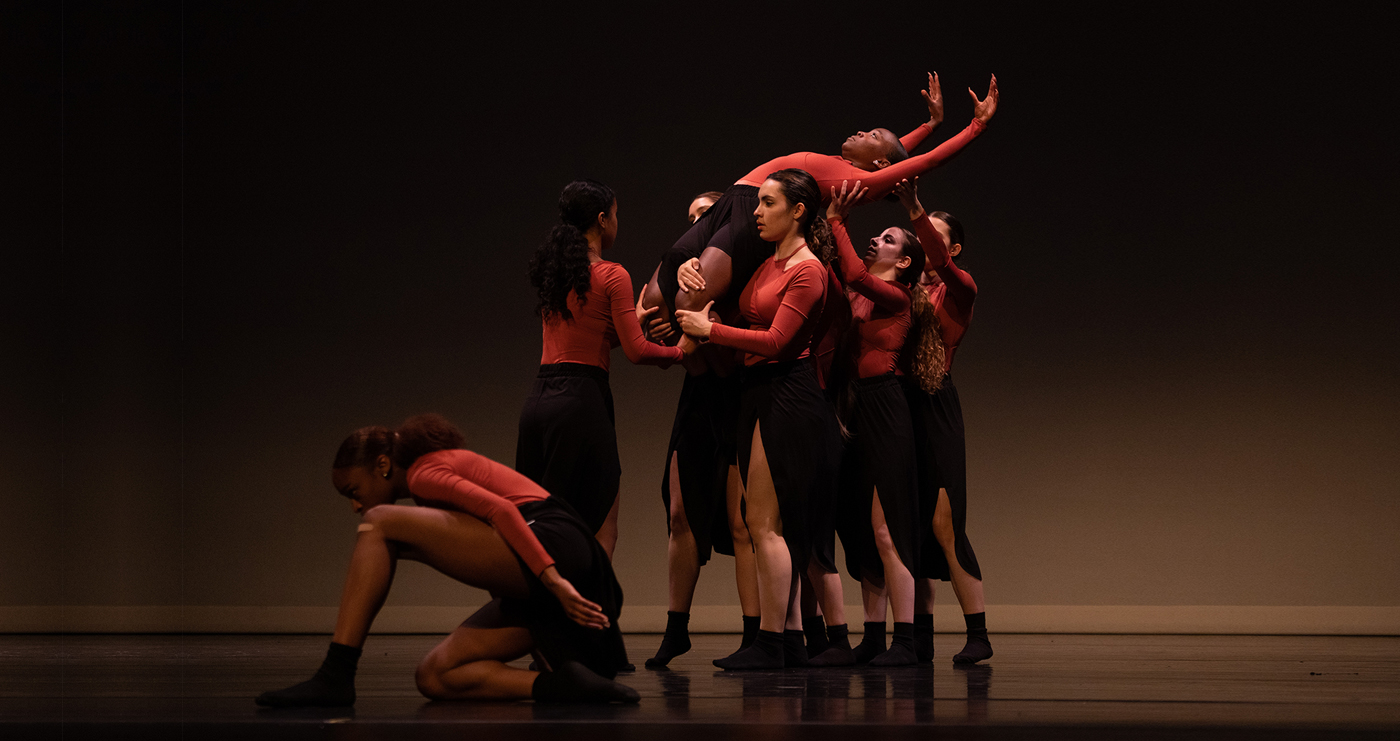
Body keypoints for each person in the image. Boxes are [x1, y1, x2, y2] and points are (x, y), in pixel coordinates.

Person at [255, 414, 641, 707]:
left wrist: (554, 581)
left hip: (551, 540)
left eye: (354, 491)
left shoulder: (425, 473)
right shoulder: (428, 482)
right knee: (436, 675)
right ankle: (564, 686)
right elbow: (493, 564)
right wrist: (547, 650)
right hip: (547, 558)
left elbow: (503, 513)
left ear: (383, 466)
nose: (355, 505)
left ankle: (334, 676)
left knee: (377, 525)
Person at [645, 73, 997, 335]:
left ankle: (714, 344)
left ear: (879, 166)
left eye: (872, 136)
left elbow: (922, 162)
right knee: (654, 300)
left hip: (750, 210)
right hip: (733, 198)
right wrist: (930, 124)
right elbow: (896, 152)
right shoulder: (852, 167)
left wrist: (976, 126)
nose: (862, 133)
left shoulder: (862, 181)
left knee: (688, 303)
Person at [675, 168, 831, 670]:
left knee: (765, 523)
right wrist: (688, 274)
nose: (756, 213)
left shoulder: (808, 271)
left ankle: (773, 640)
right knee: (758, 520)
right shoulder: (766, 263)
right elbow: (742, 318)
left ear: (798, 211)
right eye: (758, 203)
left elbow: (777, 342)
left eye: (766, 204)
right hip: (756, 391)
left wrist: (711, 331)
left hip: (788, 393)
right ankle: (780, 638)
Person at [806, 181, 947, 667]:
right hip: (850, 408)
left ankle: (905, 640)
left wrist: (839, 221)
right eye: (880, 235)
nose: (878, 241)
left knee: (888, 529)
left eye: (889, 239)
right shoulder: (853, 292)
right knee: (860, 531)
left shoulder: (898, 297)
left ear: (905, 262)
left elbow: (857, 276)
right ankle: (871, 637)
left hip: (885, 408)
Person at [518, 180, 690, 559]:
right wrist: (680, 350)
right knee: (600, 525)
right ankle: (593, 615)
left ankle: (545, 611)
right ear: (601, 219)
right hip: (581, 403)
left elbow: (583, 341)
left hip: (539, 403)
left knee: (542, 522)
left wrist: (632, 321)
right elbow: (637, 352)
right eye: (615, 215)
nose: (616, 222)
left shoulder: (558, 274)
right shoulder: (613, 274)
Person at [646, 194, 756, 668]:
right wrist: (661, 324)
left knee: (741, 522)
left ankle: (756, 633)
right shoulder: (678, 267)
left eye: (705, 215)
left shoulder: (741, 266)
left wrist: (692, 324)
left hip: (736, 392)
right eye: (691, 218)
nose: (696, 224)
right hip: (697, 395)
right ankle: (676, 630)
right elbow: (644, 313)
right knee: (680, 514)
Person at [892, 177, 992, 664]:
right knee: (909, 525)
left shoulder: (960, 289)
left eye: (931, 235)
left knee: (944, 522)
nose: (921, 242)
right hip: (899, 404)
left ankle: (978, 634)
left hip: (935, 405)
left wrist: (913, 206)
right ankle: (919, 638)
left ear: (951, 247)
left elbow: (945, 267)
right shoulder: (902, 290)